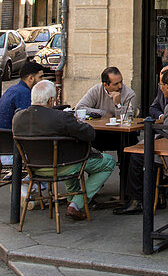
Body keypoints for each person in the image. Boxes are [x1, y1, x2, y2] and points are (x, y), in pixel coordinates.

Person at [13, 79, 116, 221]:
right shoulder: (61, 118)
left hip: (34, 169)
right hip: (64, 166)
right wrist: (78, 121)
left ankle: (72, 197)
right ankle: (76, 204)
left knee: (69, 158)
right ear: (50, 100)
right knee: (109, 161)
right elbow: (89, 134)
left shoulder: (18, 118)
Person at [114, 66, 168, 214]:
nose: (160, 88)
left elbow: (167, 134)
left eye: (161, 85)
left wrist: (145, 142)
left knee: (135, 155)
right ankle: (156, 195)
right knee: (140, 150)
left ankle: (137, 200)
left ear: (167, 87)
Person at [0, 59, 45, 130]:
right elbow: (29, 121)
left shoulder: (13, 89)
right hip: (10, 137)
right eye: (40, 77)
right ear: (31, 78)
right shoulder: (24, 92)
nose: (43, 80)